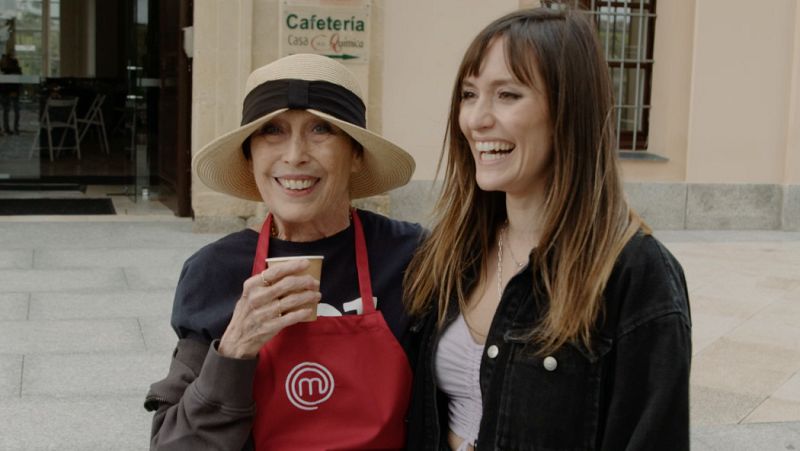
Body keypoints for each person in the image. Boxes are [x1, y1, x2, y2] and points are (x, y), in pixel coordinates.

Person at [404, 7, 691, 451]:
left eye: (507, 95)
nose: (476, 119)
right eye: (468, 93)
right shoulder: (453, 250)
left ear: (568, 110)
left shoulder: (635, 274)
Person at [144, 53, 424, 450]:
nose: (294, 155)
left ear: (357, 154)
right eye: (272, 130)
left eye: (321, 129)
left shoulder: (414, 258)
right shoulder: (214, 272)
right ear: (250, 154)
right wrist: (234, 348)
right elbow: (176, 444)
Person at [0, 53, 21, 135]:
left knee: (7, 110)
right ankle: (13, 128)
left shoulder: (6, 70)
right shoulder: (12, 69)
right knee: (12, 110)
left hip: (8, 92)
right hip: (10, 92)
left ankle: (9, 128)